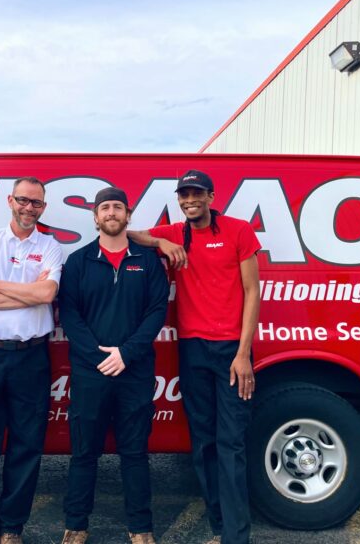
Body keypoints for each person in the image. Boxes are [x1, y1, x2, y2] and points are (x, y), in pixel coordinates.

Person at [128, 169, 261, 544]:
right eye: (184, 195)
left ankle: (237, 537)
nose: (190, 201)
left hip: (232, 351)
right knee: (202, 441)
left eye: (196, 194)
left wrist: (243, 354)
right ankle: (219, 523)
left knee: (231, 442)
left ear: (211, 197)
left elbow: (253, 292)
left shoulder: (238, 231)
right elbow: (128, 234)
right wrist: (160, 242)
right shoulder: (177, 232)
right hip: (193, 348)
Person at [58, 187, 169, 544]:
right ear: (95, 217)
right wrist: (99, 357)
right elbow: (70, 316)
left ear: (128, 215)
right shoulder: (78, 261)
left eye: (117, 207)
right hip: (91, 373)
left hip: (134, 372)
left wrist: (126, 353)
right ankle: (76, 526)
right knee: (83, 453)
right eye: (104, 207)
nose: (111, 213)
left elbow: (156, 312)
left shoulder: (148, 262)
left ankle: (141, 529)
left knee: (135, 454)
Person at [0, 176, 63, 544]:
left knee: (27, 443)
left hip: (32, 356)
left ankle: (11, 528)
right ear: (10, 200)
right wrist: (28, 293)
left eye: (36, 203)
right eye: (23, 200)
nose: (28, 208)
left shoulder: (51, 247)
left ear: (43, 208)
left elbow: (47, 292)